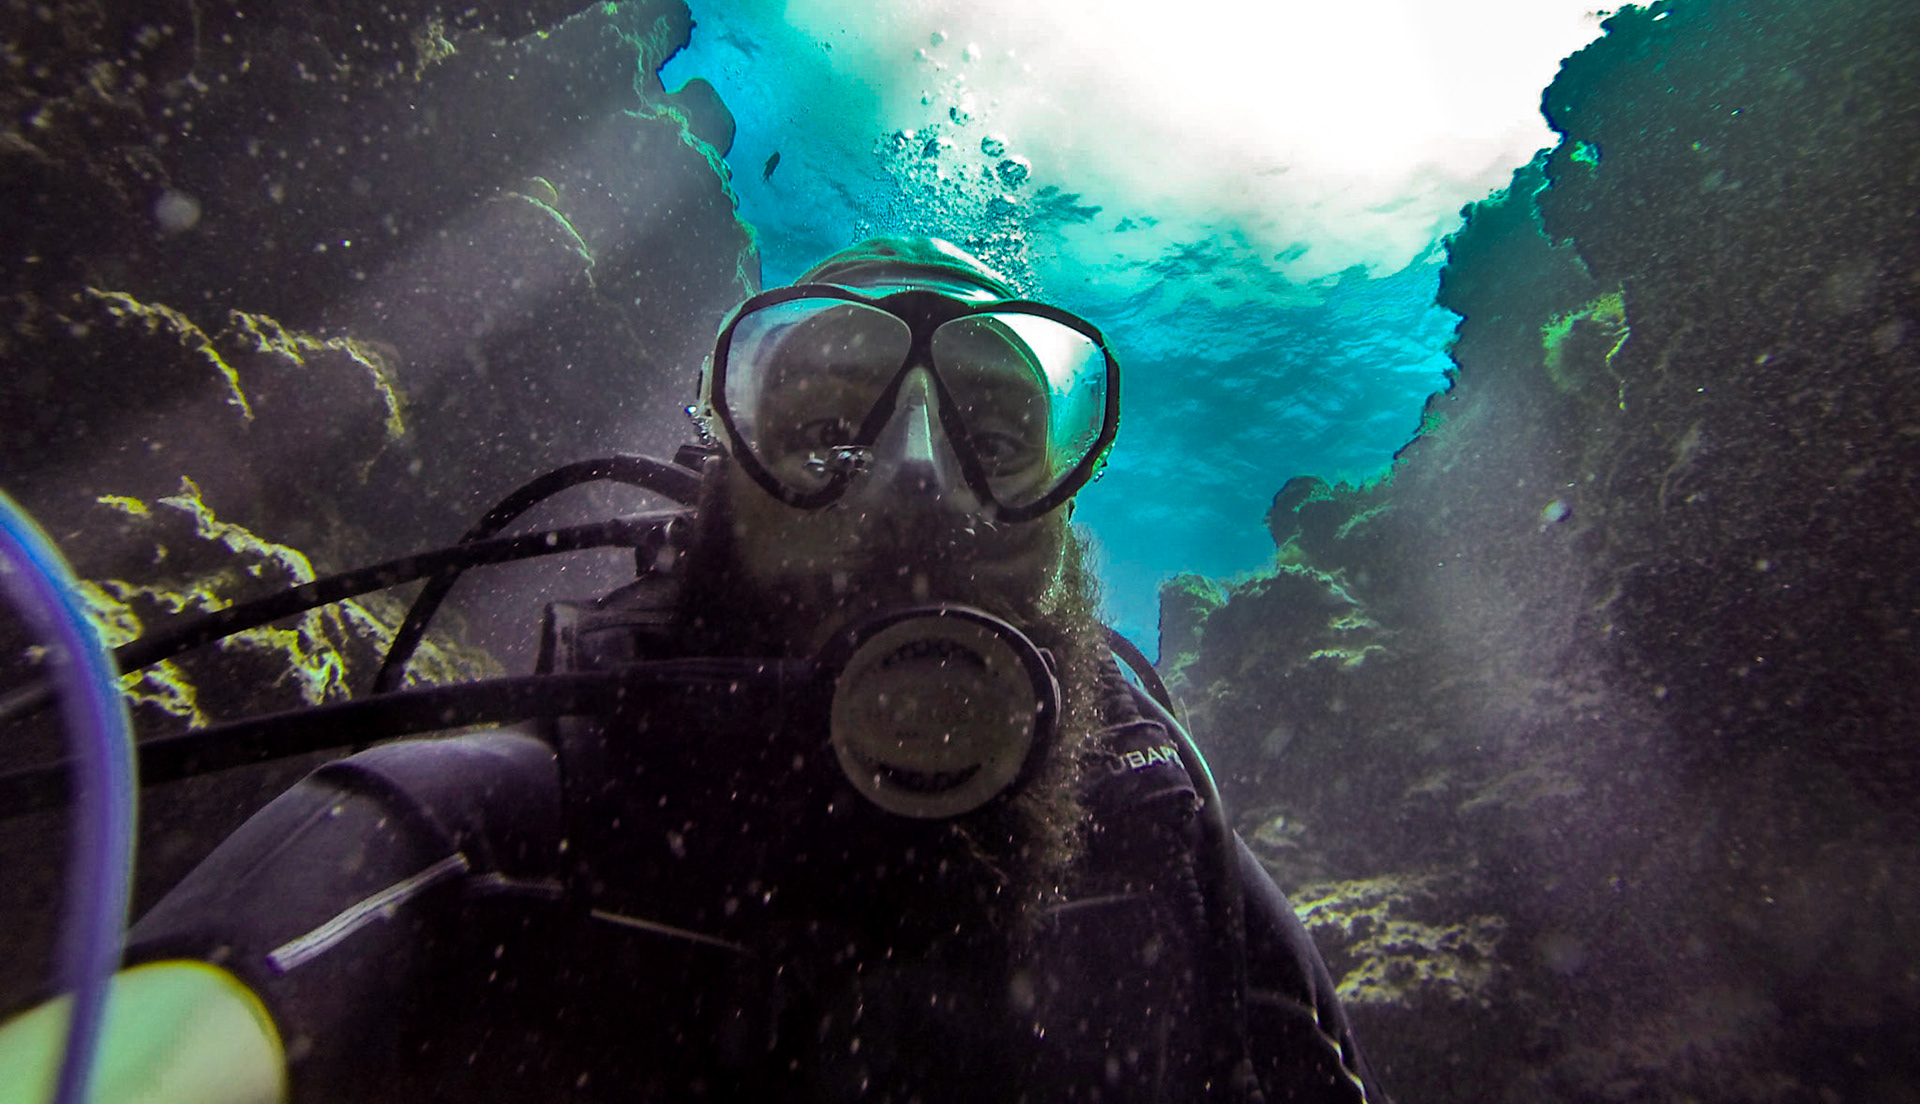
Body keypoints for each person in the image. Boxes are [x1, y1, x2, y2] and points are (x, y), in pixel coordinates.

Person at [0, 237, 1382, 1103]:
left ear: (1072, 513)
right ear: (720, 477)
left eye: (1002, 437)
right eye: (827, 425)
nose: (918, 482)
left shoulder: (1167, 844)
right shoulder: (499, 831)